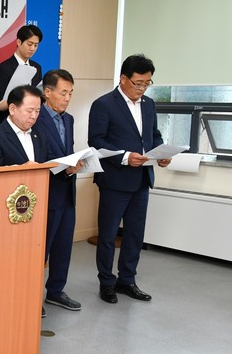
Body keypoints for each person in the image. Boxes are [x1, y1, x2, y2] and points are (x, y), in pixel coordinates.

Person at [88, 54, 170, 304]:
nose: (142, 88)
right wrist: (124, 157)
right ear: (123, 78)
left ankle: (127, 280)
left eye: (147, 83)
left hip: (142, 179)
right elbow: (96, 141)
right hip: (115, 180)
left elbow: (154, 135)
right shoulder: (104, 104)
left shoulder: (148, 104)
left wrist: (161, 153)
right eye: (138, 83)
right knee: (108, 235)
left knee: (135, 235)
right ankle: (106, 282)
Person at [32, 69, 82, 313]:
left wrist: (75, 164)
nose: (67, 98)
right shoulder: (36, 117)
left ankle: (55, 291)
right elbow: (37, 156)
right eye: (63, 93)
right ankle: (32, 296)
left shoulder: (68, 119)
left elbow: (67, 150)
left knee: (63, 247)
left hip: (67, 191)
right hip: (46, 192)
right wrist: (62, 165)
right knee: (41, 248)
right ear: (47, 92)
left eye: (70, 93)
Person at [0, 84, 48, 166]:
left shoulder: (40, 134)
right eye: (29, 111)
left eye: (37, 111)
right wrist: (22, 169)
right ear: (12, 109)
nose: (34, 116)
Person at [0, 25, 43, 125]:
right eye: (29, 44)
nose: (32, 48)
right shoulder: (3, 68)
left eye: (36, 45)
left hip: (32, 124)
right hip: (9, 123)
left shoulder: (37, 68)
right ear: (19, 42)